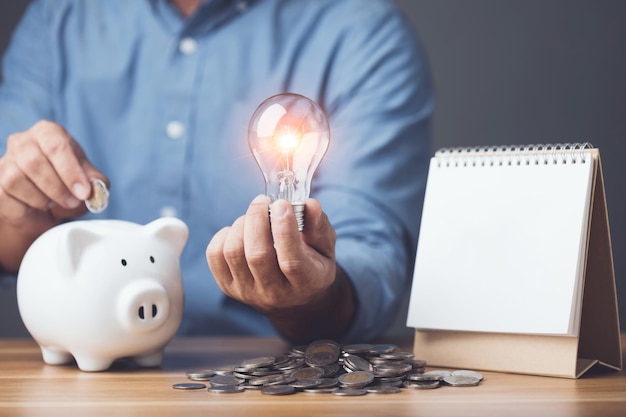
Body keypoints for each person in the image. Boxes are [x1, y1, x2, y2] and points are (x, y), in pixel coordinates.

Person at [0, 0, 433, 343]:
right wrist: (18, 217)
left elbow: (371, 259)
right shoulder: (59, 16)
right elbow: (9, 233)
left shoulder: (360, 28)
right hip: (91, 364)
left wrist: (307, 293)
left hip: (273, 372)